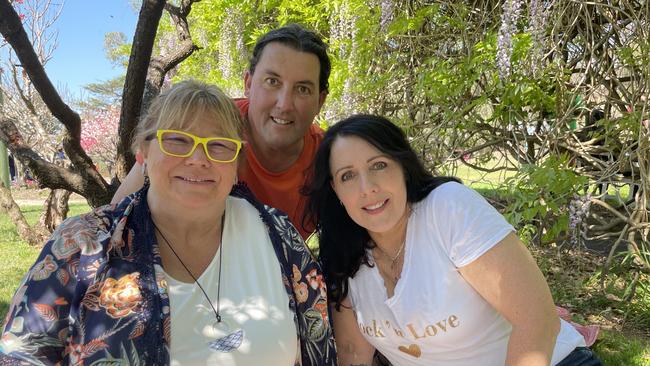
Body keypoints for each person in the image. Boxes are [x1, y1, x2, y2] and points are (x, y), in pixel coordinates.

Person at [0, 80, 336, 365]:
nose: (198, 159)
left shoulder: (277, 235)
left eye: (219, 145)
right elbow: (21, 354)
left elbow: (321, 347)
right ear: (143, 151)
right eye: (178, 140)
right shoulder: (84, 244)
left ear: (236, 162)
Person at [304, 114, 602, 366]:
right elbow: (353, 352)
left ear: (403, 167)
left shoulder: (447, 209)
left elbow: (537, 321)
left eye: (378, 165)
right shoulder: (342, 254)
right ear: (336, 190)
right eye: (348, 176)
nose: (367, 188)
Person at [112, 23, 330, 239]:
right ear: (248, 83)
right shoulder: (206, 123)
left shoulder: (330, 158)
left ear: (320, 101)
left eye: (303, 89)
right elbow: (117, 214)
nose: (284, 104)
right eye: (272, 81)